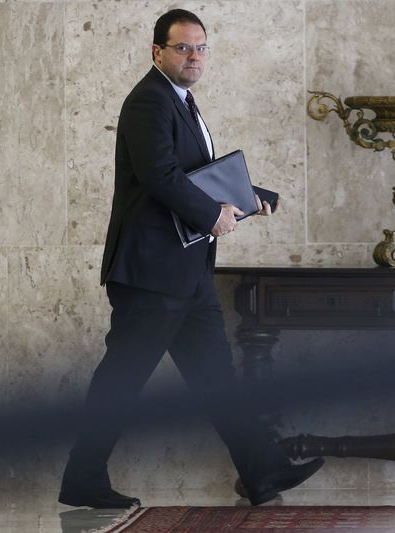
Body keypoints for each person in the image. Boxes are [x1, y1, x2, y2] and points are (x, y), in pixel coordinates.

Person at [58, 8, 323, 509]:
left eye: (201, 47)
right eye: (182, 48)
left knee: (215, 378)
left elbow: (195, 172)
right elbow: (160, 176)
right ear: (157, 52)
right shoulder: (147, 102)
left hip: (187, 272)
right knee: (122, 379)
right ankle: (82, 479)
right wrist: (211, 216)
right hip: (153, 274)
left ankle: (263, 473)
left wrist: (248, 195)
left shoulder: (180, 101)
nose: (194, 56)